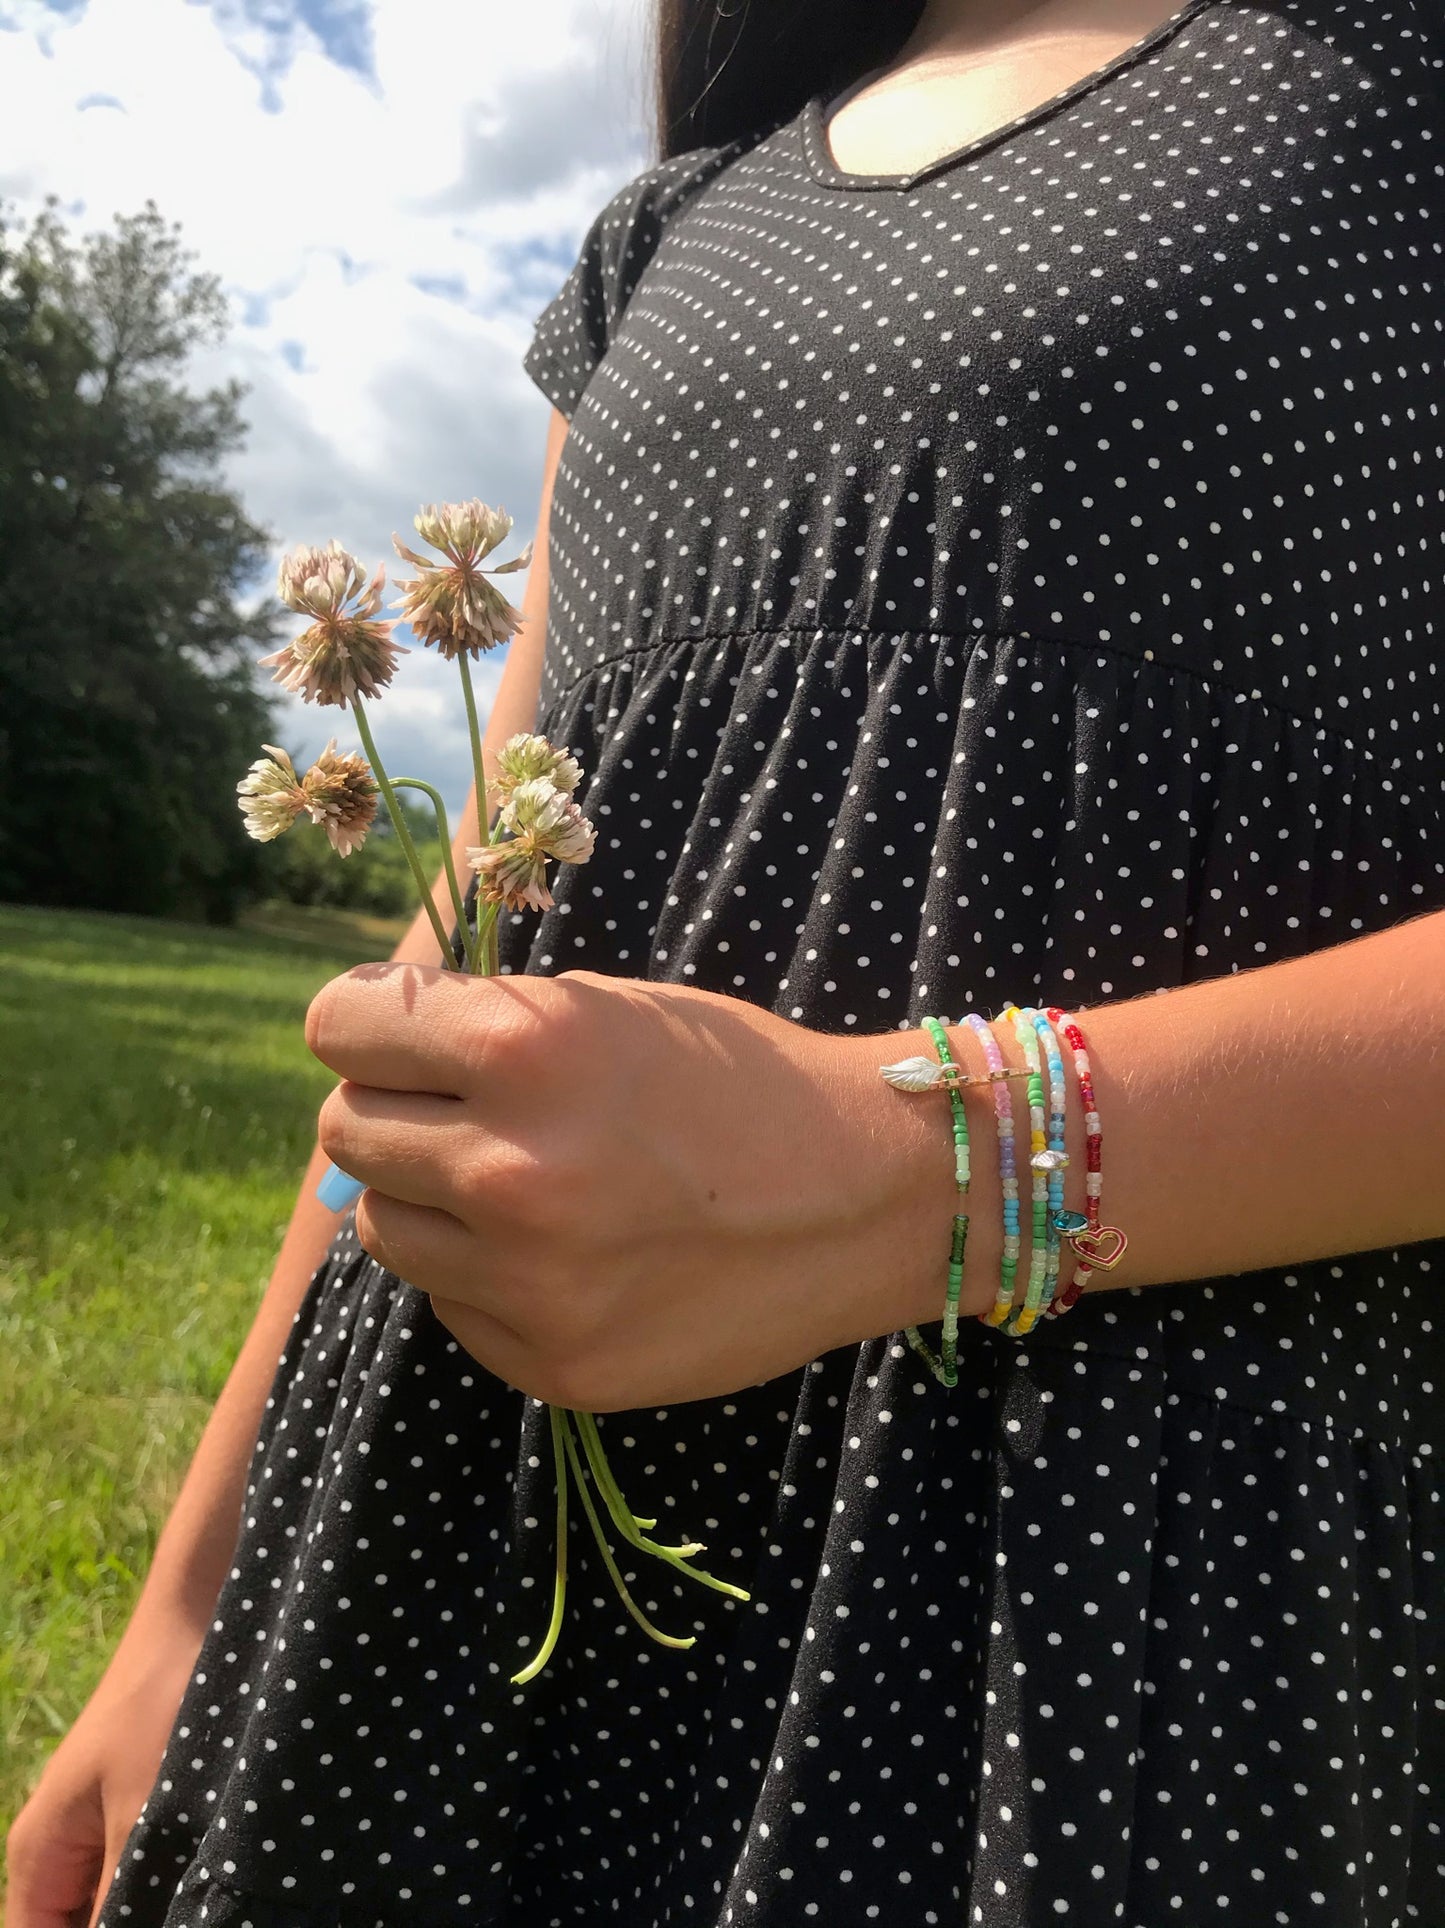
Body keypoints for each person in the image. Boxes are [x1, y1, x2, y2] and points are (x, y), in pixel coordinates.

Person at [8, 0, 1444, 1921]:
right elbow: (481, 916)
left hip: (1103, 1587)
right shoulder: (661, 237)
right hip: (451, 1543)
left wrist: (916, 1164)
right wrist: (193, 1588)